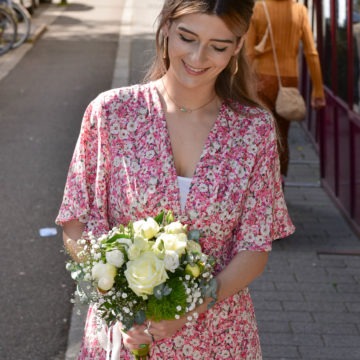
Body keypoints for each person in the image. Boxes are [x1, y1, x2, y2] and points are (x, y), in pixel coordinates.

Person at [56, 0, 295, 358]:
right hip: (125, 336)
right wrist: (119, 301)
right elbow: (75, 224)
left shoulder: (253, 130)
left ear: (238, 48)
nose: (199, 57)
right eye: (188, 37)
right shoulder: (111, 114)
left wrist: (190, 309)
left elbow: (255, 248)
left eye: (218, 46)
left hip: (220, 336)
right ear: (166, 27)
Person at [245, 0, 326, 185]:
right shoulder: (300, 10)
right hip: (289, 81)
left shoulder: (258, 8)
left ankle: (260, 182)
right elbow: (311, 52)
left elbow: (248, 53)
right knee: (281, 133)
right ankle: (279, 180)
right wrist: (318, 90)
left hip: (260, 80)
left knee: (260, 133)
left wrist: (241, 86)